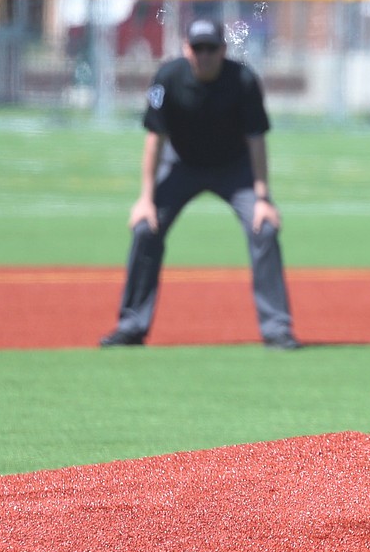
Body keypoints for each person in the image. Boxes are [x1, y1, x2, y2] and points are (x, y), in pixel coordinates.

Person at [99, 17, 300, 350]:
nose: (204, 55)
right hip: (181, 166)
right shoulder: (168, 78)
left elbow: (256, 141)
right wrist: (145, 198)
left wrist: (263, 198)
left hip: (234, 170)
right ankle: (132, 325)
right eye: (197, 48)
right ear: (185, 49)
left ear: (223, 50)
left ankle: (277, 328)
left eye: (211, 48)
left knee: (263, 227)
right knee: (145, 228)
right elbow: (154, 140)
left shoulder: (243, 80)